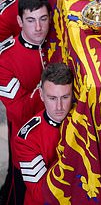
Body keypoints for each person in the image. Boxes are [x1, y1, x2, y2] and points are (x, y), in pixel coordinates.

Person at [0, 0, 50, 204]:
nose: (38, 28)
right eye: (31, 20)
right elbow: (17, 112)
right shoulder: (5, 58)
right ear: (20, 21)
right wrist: (45, 90)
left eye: (43, 19)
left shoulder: (55, 40)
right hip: (28, 142)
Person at [12, 63, 73, 204]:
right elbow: (40, 194)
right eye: (52, 98)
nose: (59, 107)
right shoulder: (27, 139)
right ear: (41, 95)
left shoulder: (82, 121)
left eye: (65, 97)